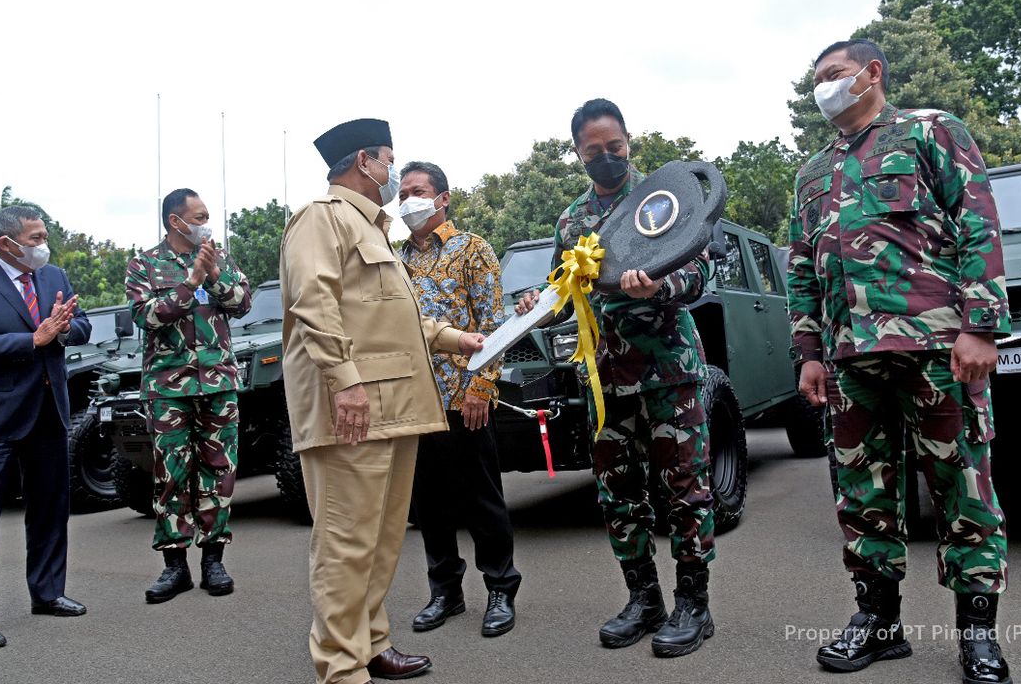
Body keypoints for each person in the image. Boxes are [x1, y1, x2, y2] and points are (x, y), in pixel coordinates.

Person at [789, 38, 1011, 684]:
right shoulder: (809, 175)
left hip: (939, 348)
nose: (824, 88)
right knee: (863, 495)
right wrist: (809, 354)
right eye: (817, 80)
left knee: (963, 489)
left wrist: (981, 327)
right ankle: (879, 624)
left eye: (835, 74)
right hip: (850, 359)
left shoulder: (930, 131)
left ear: (872, 73)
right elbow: (803, 270)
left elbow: (978, 223)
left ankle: (978, 636)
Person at [280, 118, 487, 684]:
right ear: (363, 162)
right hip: (352, 409)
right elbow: (311, 301)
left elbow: (398, 317)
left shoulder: (373, 230)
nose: (394, 172)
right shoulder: (320, 219)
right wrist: (344, 381)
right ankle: (342, 667)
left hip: (393, 408)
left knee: (379, 541)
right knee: (345, 545)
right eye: (389, 160)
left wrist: (455, 339)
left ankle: (371, 644)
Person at [517, 98, 715, 657]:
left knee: (685, 493)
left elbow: (701, 270)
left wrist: (660, 286)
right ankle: (644, 598)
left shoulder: (664, 197)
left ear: (630, 141)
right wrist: (538, 301)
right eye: (593, 151)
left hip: (669, 371)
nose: (606, 159)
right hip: (605, 379)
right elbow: (565, 291)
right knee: (618, 496)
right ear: (578, 152)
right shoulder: (572, 219)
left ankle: (694, 606)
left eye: (615, 148)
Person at [0, 205, 91, 650]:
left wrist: (63, 332)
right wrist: (33, 339)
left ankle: (47, 593)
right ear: (6, 243)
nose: (43, 245)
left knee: (49, 509)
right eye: (35, 238)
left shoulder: (54, 276)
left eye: (44, 235)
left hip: (48, 412)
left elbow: (79, 325)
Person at [397, 161, 522, 637]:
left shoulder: (472, 249)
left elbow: (493, 325)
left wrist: (481, 387)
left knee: (481, 498)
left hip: (464, 396)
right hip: (416, 399)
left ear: (443, 198)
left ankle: (500, 588)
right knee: (428, 503)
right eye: (404, 192)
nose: (410, 199)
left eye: (419, 191)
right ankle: (445, 591)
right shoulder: (395, 259)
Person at [125, 188, 252, 603]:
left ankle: (214, 560)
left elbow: (243, 303)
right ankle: (174, 566)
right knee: (171, 473)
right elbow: (146, 316)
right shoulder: (144, 264)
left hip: (218, 383)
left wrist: (213, 275)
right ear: (175, 222)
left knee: (219, 469)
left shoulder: (221, 257)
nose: (205, 223)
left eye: (206, 216)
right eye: (197, 217)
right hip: (168, 387)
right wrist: (190, 283)